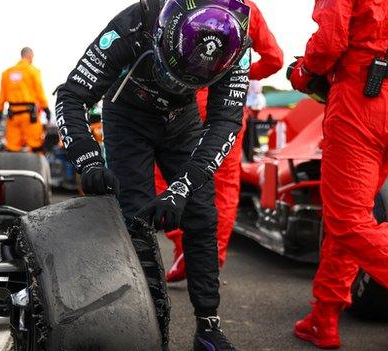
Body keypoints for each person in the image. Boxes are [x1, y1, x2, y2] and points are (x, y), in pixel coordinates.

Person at [56, 0, 250, 349]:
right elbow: (71, 95)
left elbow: (226, 122)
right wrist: (87, 159)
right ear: (164, 31)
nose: (176, 84)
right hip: (128, 113)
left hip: (183, 118)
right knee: (136, 216)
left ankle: (208, 327)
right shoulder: (132, 25)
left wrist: (182, 187)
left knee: (202, 214)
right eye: (173, 73)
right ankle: (150, 327)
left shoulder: (237, 46)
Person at [288, 0, 388, 349]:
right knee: (351, 217)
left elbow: (328, 44)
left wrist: (304, 72)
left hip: (360, 98)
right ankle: (323, 318)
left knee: (349, 219)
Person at [159, 0, 283, 283]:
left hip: (184, 101)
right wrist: (235, 73)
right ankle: (210, 260)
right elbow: (274, 58)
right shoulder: (248, 8)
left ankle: (185, 248)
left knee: (165, 173)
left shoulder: (184, 3)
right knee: (225, 185)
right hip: (228, 106)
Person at [0, 47, 51, 152]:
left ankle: (13, 166)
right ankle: (35, 167)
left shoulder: (7, 73)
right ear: (30, 55)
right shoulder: (33, 71)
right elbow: (40, 92)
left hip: (13, 115)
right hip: (29, 116)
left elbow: (2, 95)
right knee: (36, 146)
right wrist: (46, 109)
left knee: (12, 147)